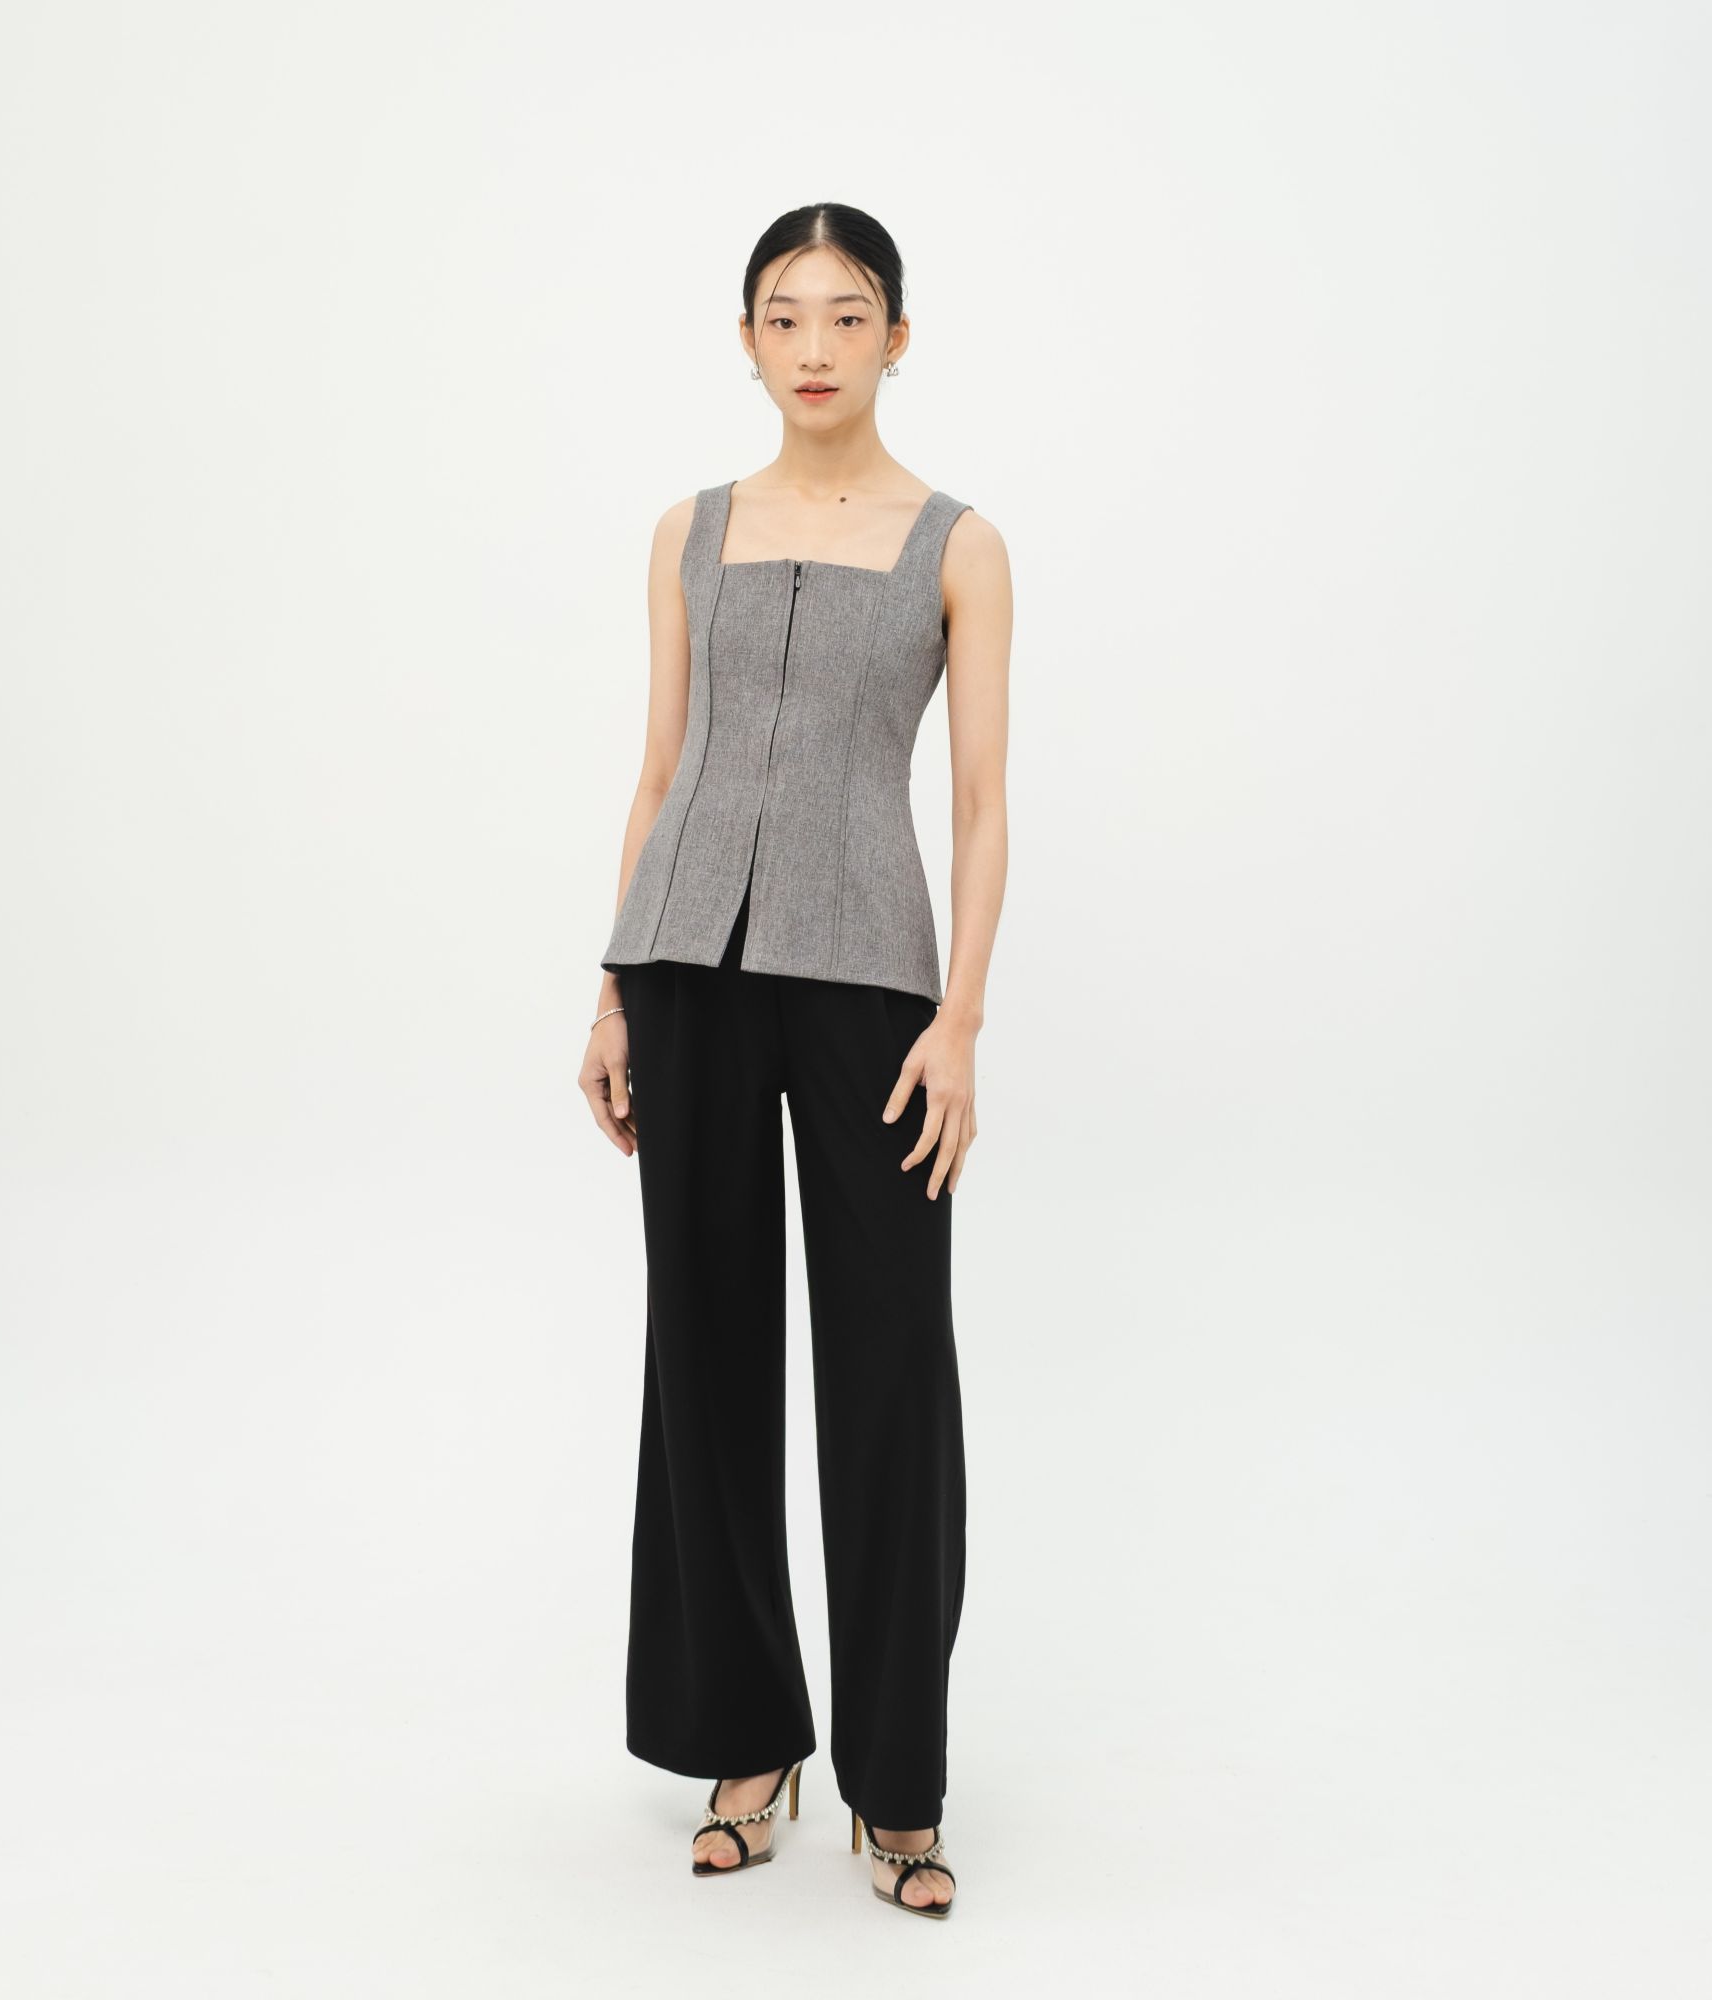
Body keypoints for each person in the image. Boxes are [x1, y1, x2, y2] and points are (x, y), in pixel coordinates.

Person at [577, 202, 1011, 1921]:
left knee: (892, 1364)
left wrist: (960, 1020)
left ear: (897, 336)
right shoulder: (690, 531)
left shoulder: (959, 545)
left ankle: (898, 1783)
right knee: (706, 1349)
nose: (814, 344)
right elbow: (658, 765)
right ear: (747, 341)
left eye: (846, 313)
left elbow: (980, 804)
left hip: (874, 988)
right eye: (782, 314)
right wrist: (613, 990)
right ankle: (746, 1742)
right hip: (686, 970)